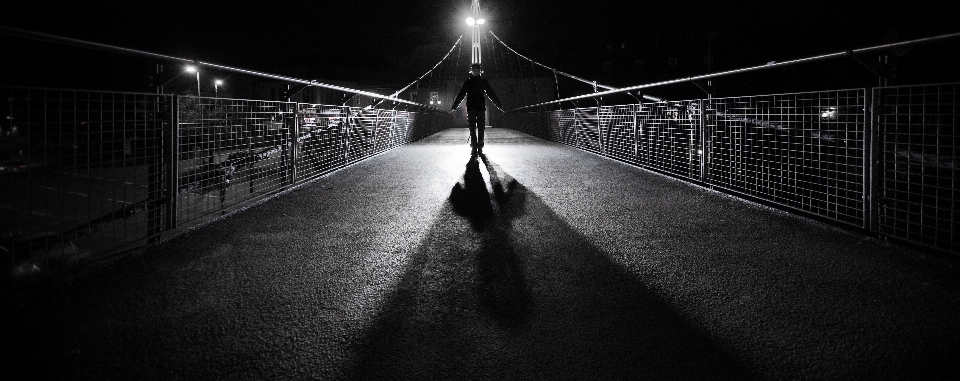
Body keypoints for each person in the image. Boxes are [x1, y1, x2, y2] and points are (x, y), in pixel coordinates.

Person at [451, 63, 503, 153]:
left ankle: (480, 143)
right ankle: (474, 144)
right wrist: (455, 105)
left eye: (477, 70)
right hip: (471, 108)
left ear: (479, 71)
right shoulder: (468, 82)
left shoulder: (482, 82)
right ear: (472, 71)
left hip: (480, 108)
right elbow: (461, 94)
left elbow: (491, 94)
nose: (475, 71)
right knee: (472, 127)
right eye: (474, 70)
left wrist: (498, 105)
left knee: (481, 127)